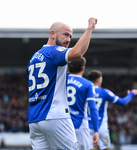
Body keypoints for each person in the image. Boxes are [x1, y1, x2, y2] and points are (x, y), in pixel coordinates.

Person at [26, 17, 97, 150]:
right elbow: (78, 52)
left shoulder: (34, 57)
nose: (69, 40)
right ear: (52, 34)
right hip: (54, 116)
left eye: (70, 36)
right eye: (65, 35)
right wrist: (90, 28)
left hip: (35, 120)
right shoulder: (53, 52)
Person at [87, 70, 137, 150]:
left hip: (87, 126)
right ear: (98, 80)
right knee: (106, 148)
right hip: (101, 127)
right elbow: (123, 102)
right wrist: (131, 94)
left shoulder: (85, 91)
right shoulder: (104, 92)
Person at [67, 57, 99, 150]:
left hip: (62, 125)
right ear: (83, 68)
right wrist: (96, 131)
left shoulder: (60, 81)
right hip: (80, 126)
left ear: (68, 67)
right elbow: (93, 108)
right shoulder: (88, 84)